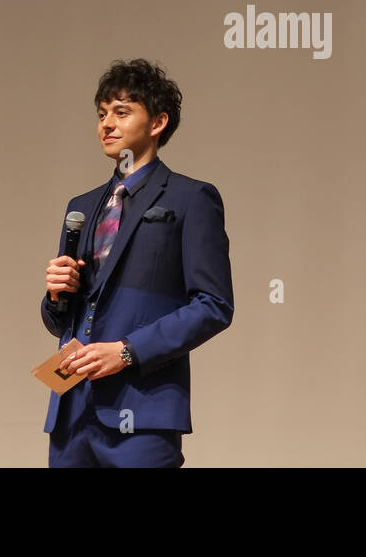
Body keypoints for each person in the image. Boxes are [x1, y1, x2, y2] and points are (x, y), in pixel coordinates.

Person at [42, 59, 234, 467]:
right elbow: (60, 320)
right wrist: (56, 294)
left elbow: (214, 305)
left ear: (158, 122)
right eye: (101, 113)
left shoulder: (190, 198)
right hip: (71, 410)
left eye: (122, 111)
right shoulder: (81, 207)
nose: (107, 124)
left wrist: (127, 352)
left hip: (141, 411)